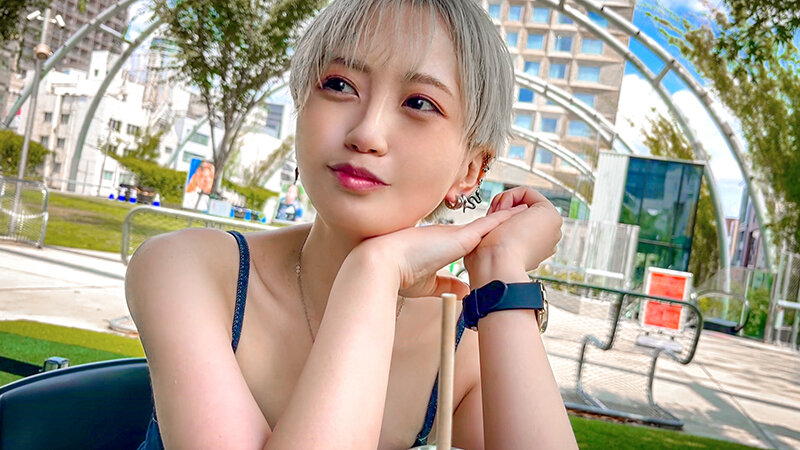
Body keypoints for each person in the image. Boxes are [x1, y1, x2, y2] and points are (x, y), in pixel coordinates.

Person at [126, 1, 576, 448]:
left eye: (420, 103)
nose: (366, 133)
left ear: (471, 171)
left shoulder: (463, 343)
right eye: (339, 85)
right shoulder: (186, 269)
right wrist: (374, 273)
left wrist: (500, 264)